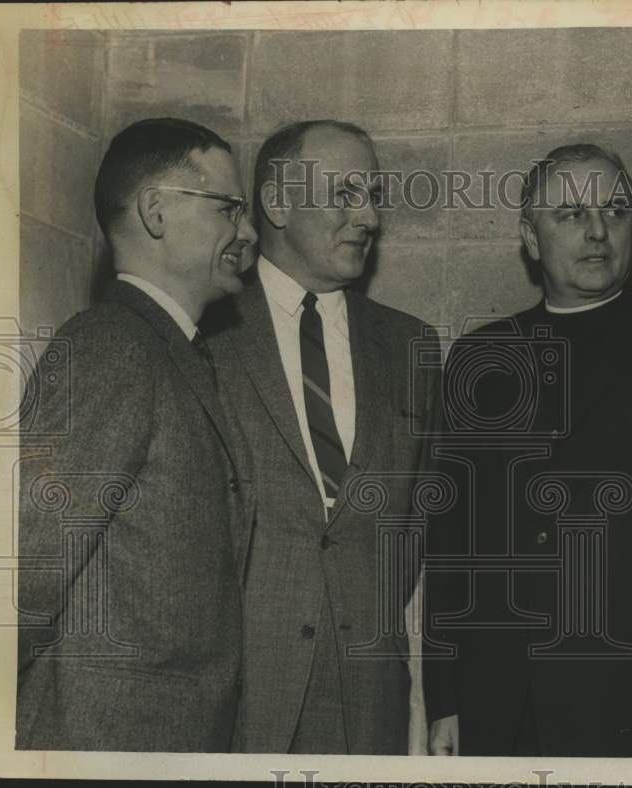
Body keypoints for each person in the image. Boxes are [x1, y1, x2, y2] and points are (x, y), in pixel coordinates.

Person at [424, 143, 632, 756]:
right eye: (570, 215)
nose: (598, 232)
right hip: (501, 697)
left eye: (616, 212)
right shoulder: (482, 356)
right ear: (529, 236)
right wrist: (446, 700)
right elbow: (453, 542)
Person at [16, 117, 258, 751]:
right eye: (229, 208)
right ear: (156, 211)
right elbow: (26, 568)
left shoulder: (175, 351)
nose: (248, 233)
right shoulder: (111, 347)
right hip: (103, 738)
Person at [203, 120, 440, 754]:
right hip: (242, 691)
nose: (369, 217)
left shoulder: (411, 345)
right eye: (344, 194)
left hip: (370, 692)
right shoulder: (207, 332)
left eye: (373, 194)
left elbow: (418, 522)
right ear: (278, 203)